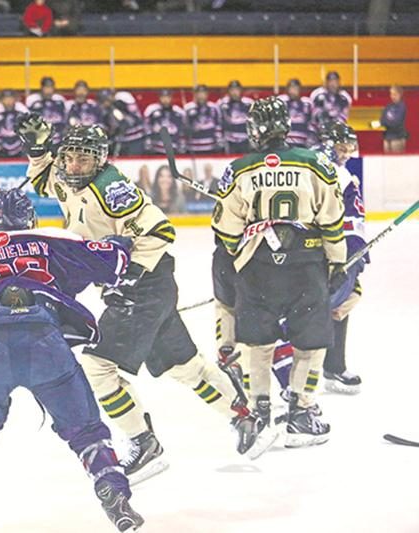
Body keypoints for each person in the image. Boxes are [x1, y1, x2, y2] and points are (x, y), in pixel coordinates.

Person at [19, 118, 269, 483]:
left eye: (83, 160)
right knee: (182, 366)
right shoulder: (65, 172)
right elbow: (45, 181)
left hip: (144, 286)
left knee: (97, 365)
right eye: (69, 157)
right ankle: (245, 418)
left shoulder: (113, 188)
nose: (74, 166)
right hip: (147, 287)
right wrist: (38, 152)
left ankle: (143, 443)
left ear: (100, 160)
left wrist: (132, 272)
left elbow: (161, 230)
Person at [0, 188, 144, 533]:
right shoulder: (49, 241)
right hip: (46, 343)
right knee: (86, 431)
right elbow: (112, 262)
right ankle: (114, 496)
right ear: (29, 218)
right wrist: (120, 243)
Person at [211, 96, 346, 448]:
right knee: (309, 344)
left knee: (260, 342)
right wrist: (337, 261)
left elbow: (226, 232)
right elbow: (333, 221)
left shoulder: (239, 168)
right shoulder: (317, 163)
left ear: (254, 130)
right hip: (307, 267)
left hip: (258, 269)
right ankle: (301, 412)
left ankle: (260, 411)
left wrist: (239, 257)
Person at [316, 121, 367, 394]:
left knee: (345, 298)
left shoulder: (338, 171)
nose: (347, 152)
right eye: (342, 146)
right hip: (327, 250)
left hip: (341, 248)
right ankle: (289, 373)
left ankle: (333, 365)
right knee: (312, 308)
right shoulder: (324, 170)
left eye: (349, 147)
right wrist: (349, 247)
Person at [97, 89, 146, 156]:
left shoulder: (122, 97)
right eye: (103, 100)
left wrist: (117, 105)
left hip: (136, 138)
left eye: (107, 99)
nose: (106, 102)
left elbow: (133, 117)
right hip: (123, 141)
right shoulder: (107, 112)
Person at [0, 90, 29, 158]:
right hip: (2, 147)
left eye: (11, 98)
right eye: (6, 99)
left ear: (15, 99)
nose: (9, 101)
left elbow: (29, 129)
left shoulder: (22, 110)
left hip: (19, 146)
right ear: (2, 100)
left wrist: (25, 145)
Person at [26, 77, 67, 145]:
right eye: (46, 87)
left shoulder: (60, 100)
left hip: (58, 139)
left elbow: (64, 119)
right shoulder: (33, 100)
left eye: (50, 87)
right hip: (40, 139)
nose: (48, 90)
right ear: (41, 88)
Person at [143, 89, 186, 155]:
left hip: (173, 149)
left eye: (167, 97)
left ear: (171, 98)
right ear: (159, 98)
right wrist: (148, 142)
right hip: (156, 149)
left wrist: (182, 144)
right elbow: (146, 127)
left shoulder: (179, 111)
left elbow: (182, 130)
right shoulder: (151, 109)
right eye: (163, 97)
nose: (165, 100)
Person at [184, 84, 223, 154]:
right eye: (199, 93)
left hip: (210, 147)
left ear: (207, 94)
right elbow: (183, 128)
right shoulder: (187, 108)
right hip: (193, 148)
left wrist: (219, 142)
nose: (201, 96)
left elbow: (218, 126)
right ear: (195, 94)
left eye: (203, 93)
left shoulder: (214, 108)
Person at [219, 80, 253, 154]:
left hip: (245, 140)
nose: (234, 92)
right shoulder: (222, 103)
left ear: (241, 91)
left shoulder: (249, 103)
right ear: (228, 91)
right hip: (229, 141)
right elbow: (218, 122)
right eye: (232, 90)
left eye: (237, 90)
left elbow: (254, 122)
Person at [277, 78, 314, 148]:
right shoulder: (281, 102)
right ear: (287, 90)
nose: (293, 91)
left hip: (303, 143)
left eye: (295, 88)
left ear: (300, 90)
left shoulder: (307, 103)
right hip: (285, 143)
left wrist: (310, 139)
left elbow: (312, 123)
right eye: (291, 88)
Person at [378, 85, 407, 153]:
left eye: (395, 94)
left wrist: (387, 122)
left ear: (399, 95)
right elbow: (382, 120)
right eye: (391, 94)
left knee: (396, 161)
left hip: (397, 138)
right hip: (387, 137)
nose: (392, 96)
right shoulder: (388, 106)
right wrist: (388, 122)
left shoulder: (402, 107)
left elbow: (396, 122)